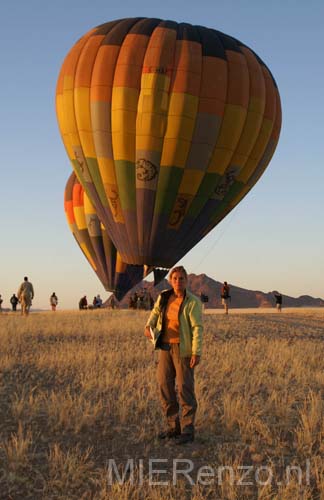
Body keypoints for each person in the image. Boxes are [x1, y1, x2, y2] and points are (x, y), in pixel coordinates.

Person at [144, 266, 203, 445]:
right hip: (164, 347)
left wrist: (196, 352)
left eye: (181, 279)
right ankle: (173, 426)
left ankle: (187, 430)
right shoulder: (163, 297)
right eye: (175, 278)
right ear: (170, 280)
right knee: (164, 385)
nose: (178, 282)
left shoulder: (192, 302)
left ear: (187, 281)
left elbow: (197, 328)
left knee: (184, 387)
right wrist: (148, 326)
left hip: (183, 349)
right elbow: (154, 314)